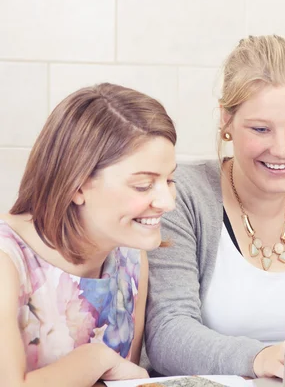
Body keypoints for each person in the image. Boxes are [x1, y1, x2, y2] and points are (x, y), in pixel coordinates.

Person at [144, 35, 285, 379]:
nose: (281, 149)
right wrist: (259, 357)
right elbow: (167, 333)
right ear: (226, 120)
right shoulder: (182, 196)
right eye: (261, 129)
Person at [0, 83, 178, 386]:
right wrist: (98, 358)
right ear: (78, 186)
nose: (167, 202)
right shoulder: (8, 261)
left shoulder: (132, 259)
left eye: (170, 179)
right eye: (143, 185)